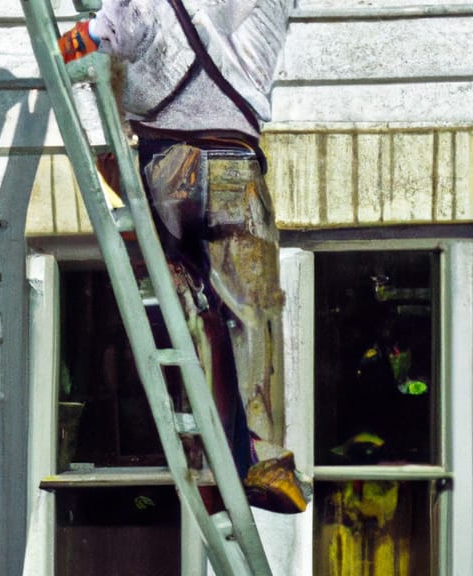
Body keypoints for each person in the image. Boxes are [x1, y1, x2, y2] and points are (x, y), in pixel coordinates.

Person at [59, 0, 308, 514]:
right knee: (249, 311)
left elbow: (108, 34)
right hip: (234, 163)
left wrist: (74, 40)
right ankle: (261, 457)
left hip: (168, 166)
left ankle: (208, 465)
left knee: (196, 321)